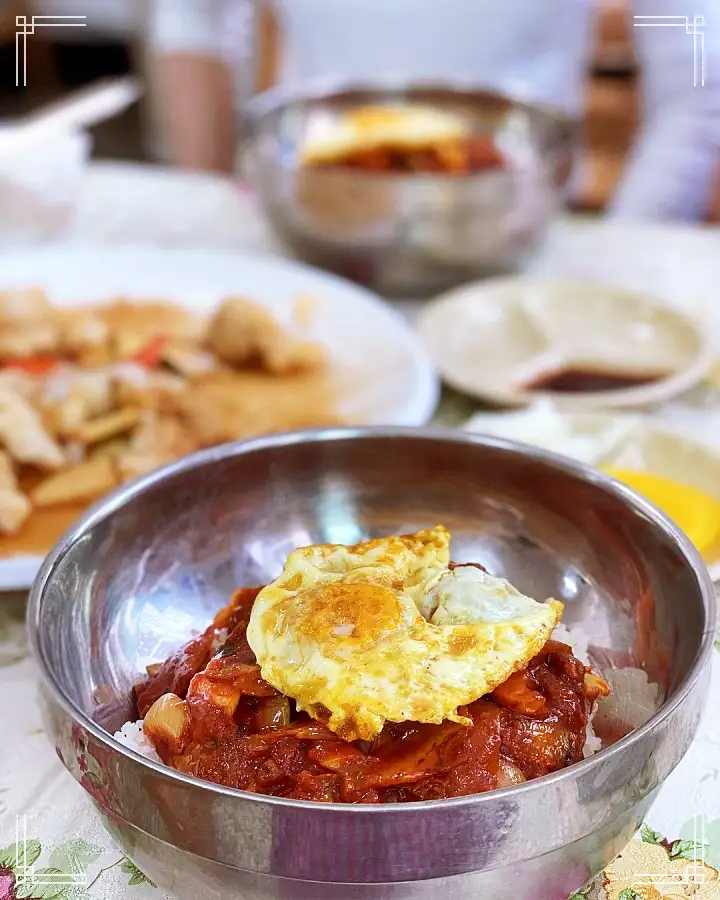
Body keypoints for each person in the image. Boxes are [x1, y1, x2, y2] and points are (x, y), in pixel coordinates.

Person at [146, 0, 720, 220]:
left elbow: (699, 80)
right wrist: (208, 195)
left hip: (519, 227)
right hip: (306, 214)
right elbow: (191, 12)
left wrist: (631, 240)